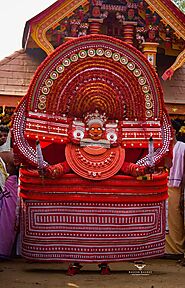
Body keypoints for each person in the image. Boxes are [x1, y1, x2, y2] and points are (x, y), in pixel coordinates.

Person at [37, 110, 148, 275]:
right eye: (93, 129)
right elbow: (65, 165)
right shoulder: (74, 150)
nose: (95, 132)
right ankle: (75, 262)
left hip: (105, 201)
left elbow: (124, 166)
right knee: (78, 232)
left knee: (105, 233)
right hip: (80, 201)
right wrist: (51, 170)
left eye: (99, 129)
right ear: (86, 130)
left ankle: (104, 263)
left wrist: (140, 170)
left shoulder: (115, 151)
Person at [165, 121, 185, 260]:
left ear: (175, 131)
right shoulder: (162, 147)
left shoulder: (182, 147)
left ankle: (177, 249)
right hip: (161, 186)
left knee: (175, 218)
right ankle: (163, 249)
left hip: (176, 187)